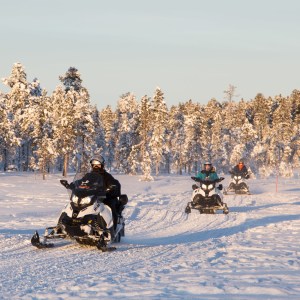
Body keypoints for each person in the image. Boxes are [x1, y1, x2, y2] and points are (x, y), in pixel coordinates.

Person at [67, 156, 122, 229]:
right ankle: (69, 222)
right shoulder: (88, 175)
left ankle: (112, 228)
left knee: (110, 207)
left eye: (98, 165)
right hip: (90, 196)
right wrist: (72, 185)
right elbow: (81, 182)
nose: (96, 166)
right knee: (75, 204)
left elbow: (115, 184)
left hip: (104, 197)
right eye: (94, 165)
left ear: (102, 165)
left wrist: (112, 187)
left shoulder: (107, 176)